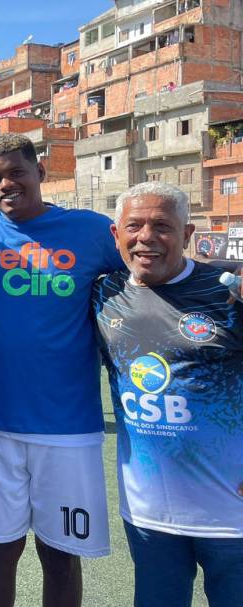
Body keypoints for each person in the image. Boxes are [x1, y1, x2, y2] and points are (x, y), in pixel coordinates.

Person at [0, 134, 121, 607]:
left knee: (60, 554)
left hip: (69, 428)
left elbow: (155, 262)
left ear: (40, 171)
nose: (5, 185)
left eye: (15, 172)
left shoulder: (92, 230)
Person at [94, 182, 243, 607]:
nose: (146, 238)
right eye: (134, 226)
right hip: (149, 515)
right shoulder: (104, 294)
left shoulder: (229, 292)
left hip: (232, 515)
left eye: (162, 226)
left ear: (188, 234)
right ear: (116, 234)